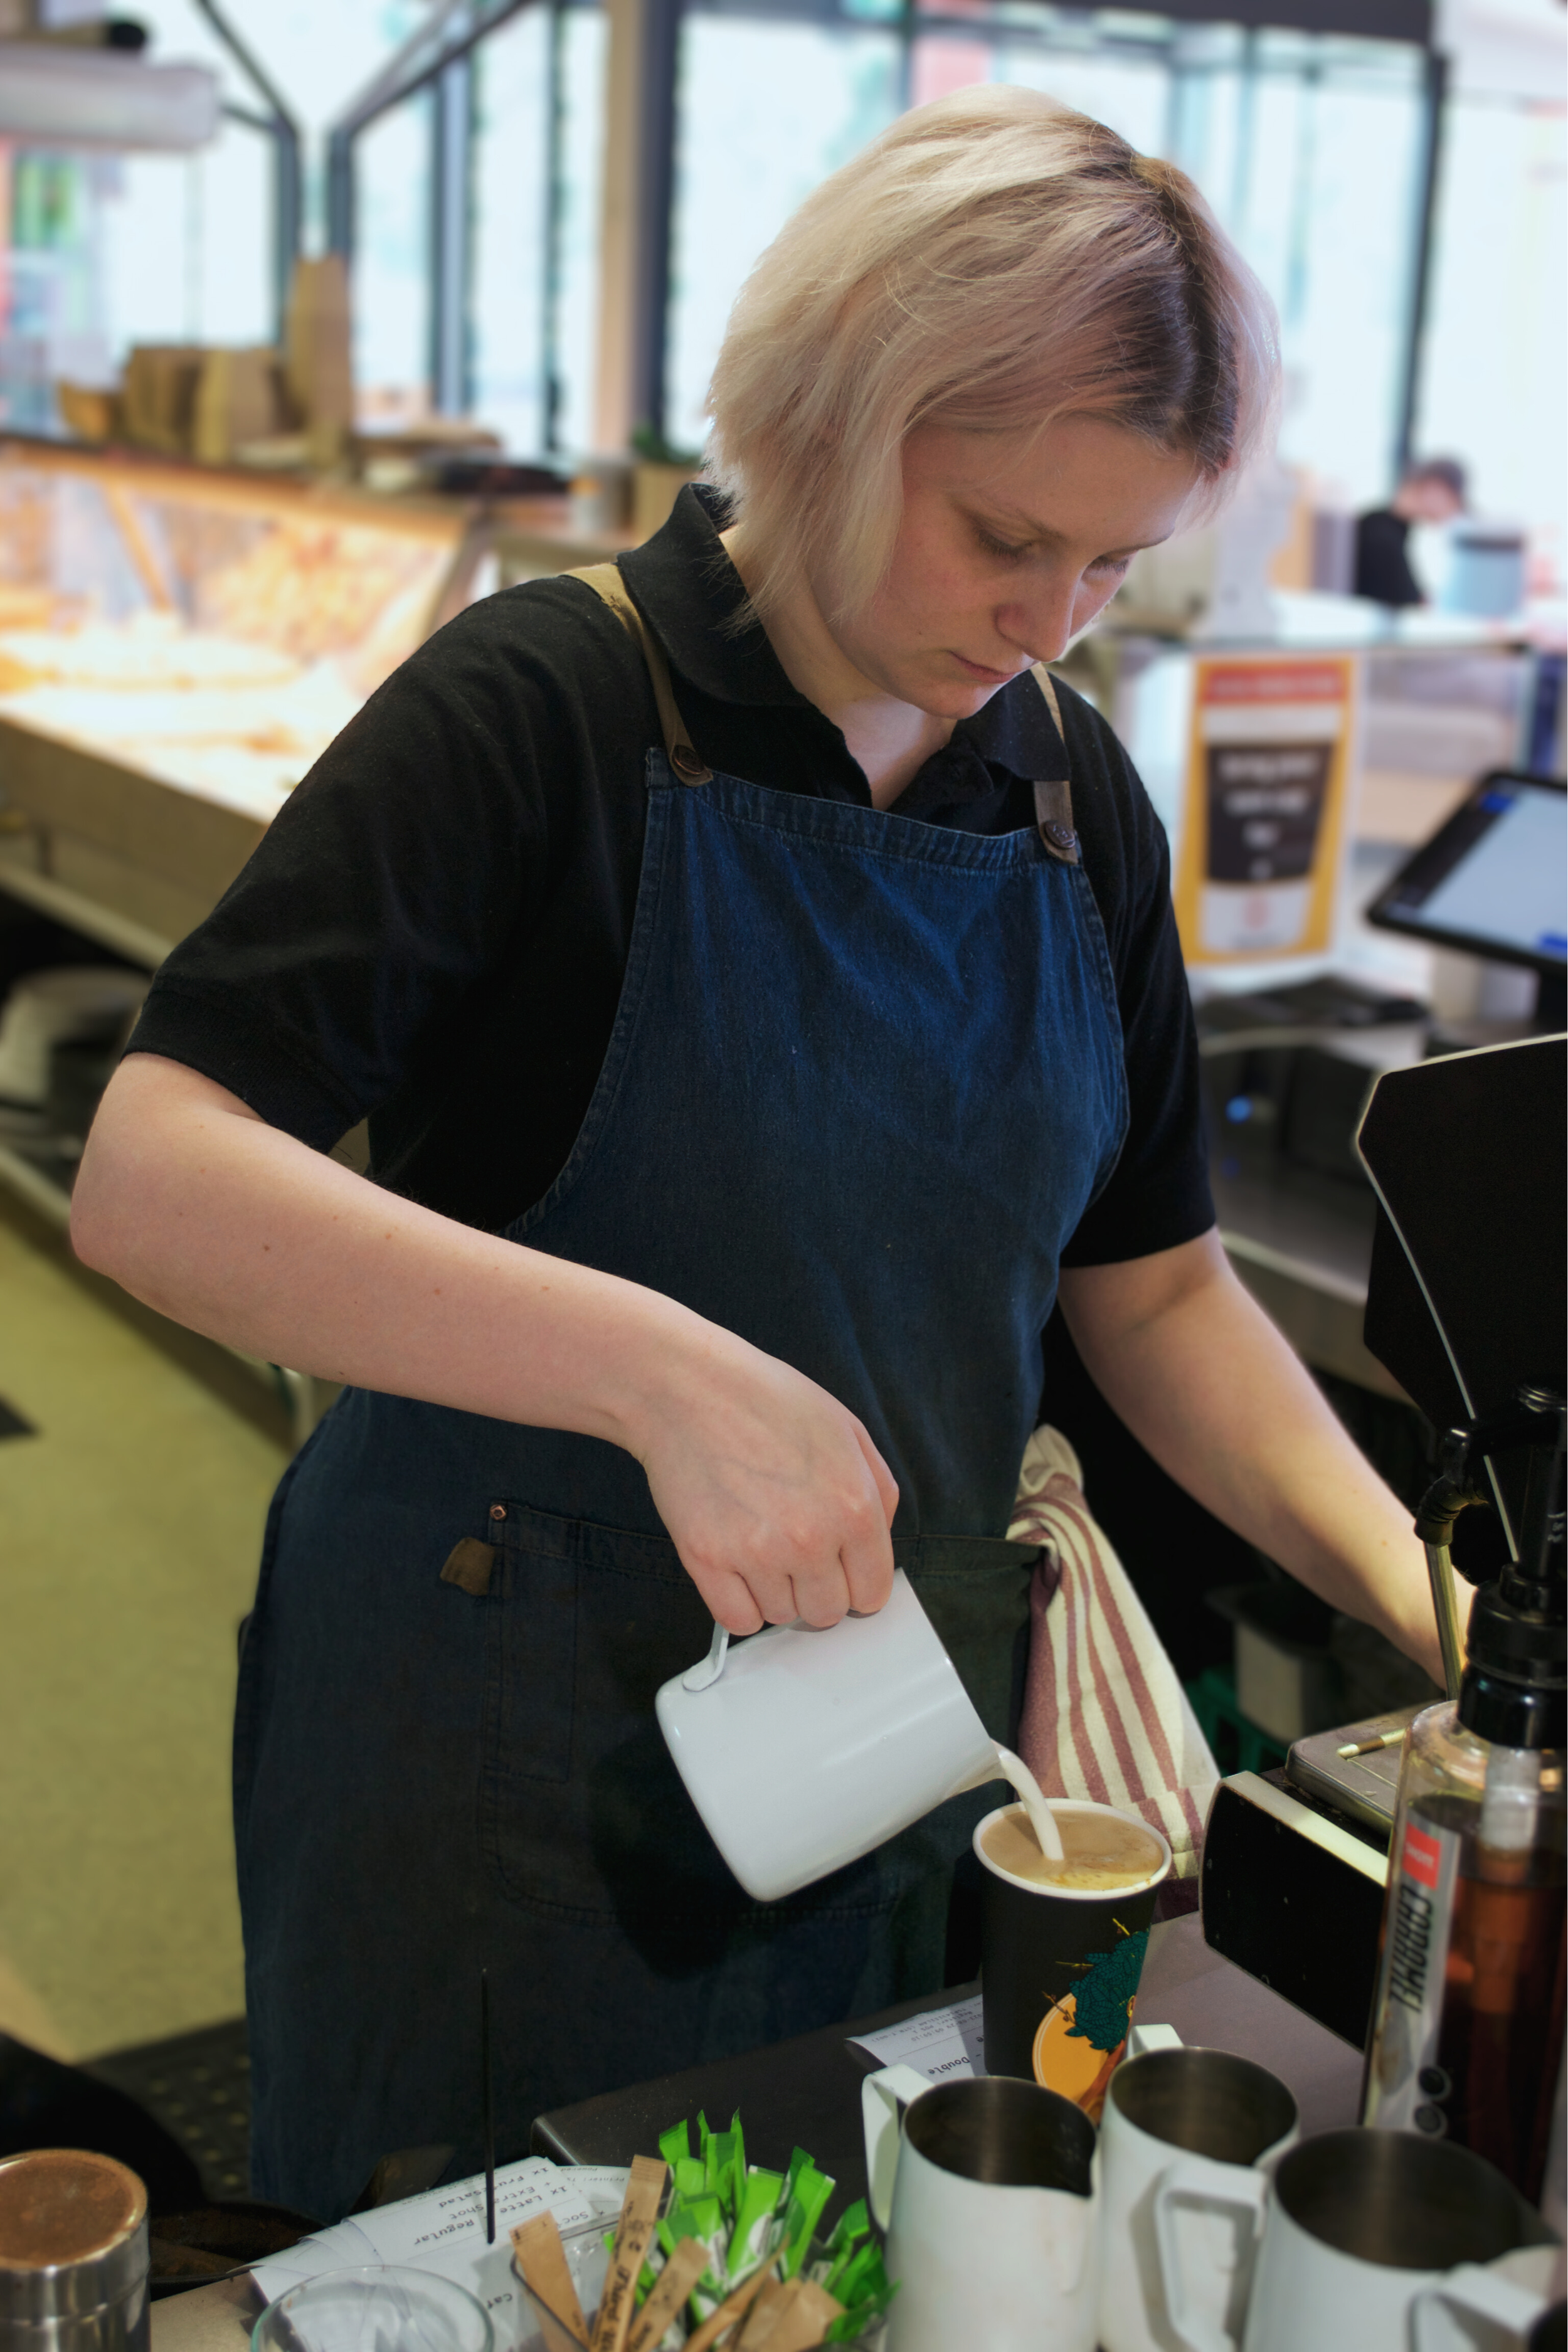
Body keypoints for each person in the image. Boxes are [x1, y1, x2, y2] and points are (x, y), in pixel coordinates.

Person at [73, 87, 1446, 2222]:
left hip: (896, 1725)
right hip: (499, 1727)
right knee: (502, 2253)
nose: (1049, 623)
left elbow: (1155, 1281)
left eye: (1115, 563)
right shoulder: (544, 710)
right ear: (827, 403)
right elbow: (157, 1171)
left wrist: (1419, 1598)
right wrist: (667, 1373)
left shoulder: (1069, 796)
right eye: (1005, 539)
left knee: (823, 2225)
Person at [1353, 456, 1468, 607]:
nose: (1453, 512)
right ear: (1435, 489)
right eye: (1453, 501)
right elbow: (1404, 602)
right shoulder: (1382, 536)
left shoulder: (1389, 528)